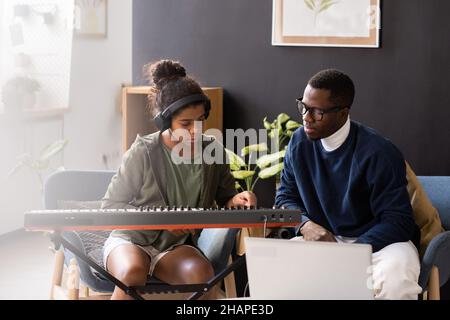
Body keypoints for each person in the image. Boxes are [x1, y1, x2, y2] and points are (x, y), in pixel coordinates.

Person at [102, 59, 257, 300]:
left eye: (200, 121)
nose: (195, 130)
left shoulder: (212, 150)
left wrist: (238, 198)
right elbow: (110, 207)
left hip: (175, 247)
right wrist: (160, 222)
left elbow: (225, 198)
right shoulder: (143, 151)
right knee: (132, 272)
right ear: (165, 121)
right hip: (131, 240)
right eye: (185, 124)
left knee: (204, 277)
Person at [275, 69, 422, 300]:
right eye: (303, 106)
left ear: (343, 113)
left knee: (396, 282)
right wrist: (305, 225)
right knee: (278, 273)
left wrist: (349, 253)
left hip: (381, 246)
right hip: (322, 240)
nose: (306, 117)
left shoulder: (378, 152)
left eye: (317, 112)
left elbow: (398, 221)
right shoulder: (299, 142)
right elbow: (284, 198)